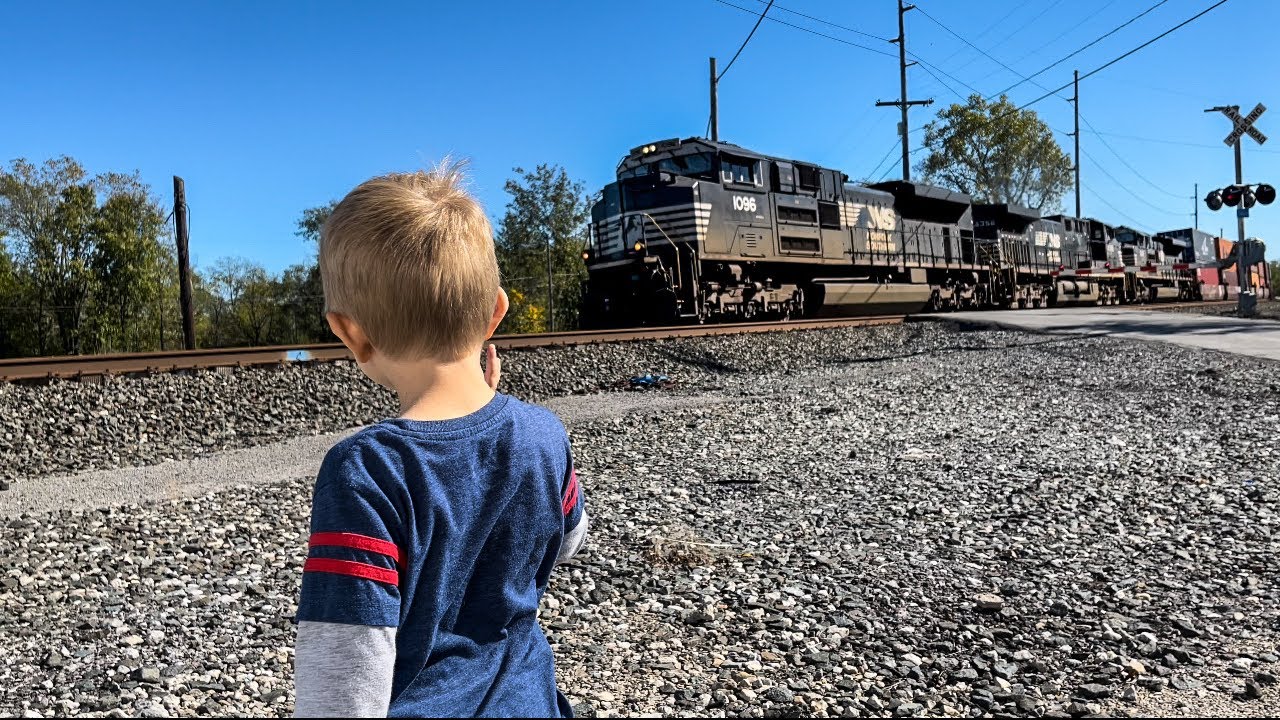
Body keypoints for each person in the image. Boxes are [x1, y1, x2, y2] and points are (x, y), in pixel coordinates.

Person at [293, 161, 588, 718]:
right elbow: (569, 538)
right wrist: (495, 430)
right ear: (496, 311)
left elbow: (347, 670)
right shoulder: (542, 434)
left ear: (348, 333)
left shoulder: (365, 471)